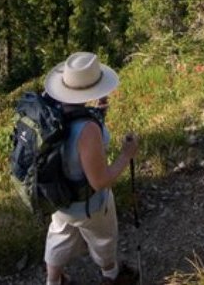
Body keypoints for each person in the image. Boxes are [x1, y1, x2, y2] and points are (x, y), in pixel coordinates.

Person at [42, 51, 140, 285]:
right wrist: (127, 155)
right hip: (89, 205)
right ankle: (111, 275)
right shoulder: (87, 130)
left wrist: (99, 111)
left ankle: (53, 281)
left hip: (57, 196)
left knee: (59, 236)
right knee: (103, 238)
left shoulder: (50, 109)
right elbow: (100, 181)